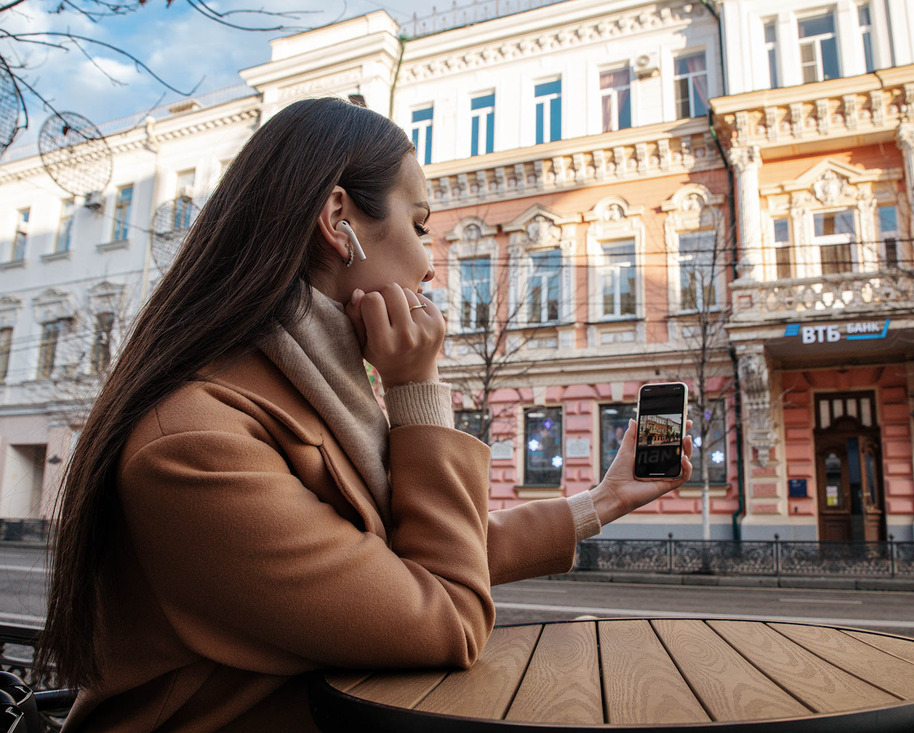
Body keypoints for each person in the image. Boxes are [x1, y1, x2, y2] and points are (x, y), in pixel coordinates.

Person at [36, 98, 694, 732]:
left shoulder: (307, 392)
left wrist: (601, 502)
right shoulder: (197, 443)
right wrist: (417, 386)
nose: (431, 264)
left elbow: (399, 558)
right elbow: (447, 612)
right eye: (419, 225)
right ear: (337, 220)